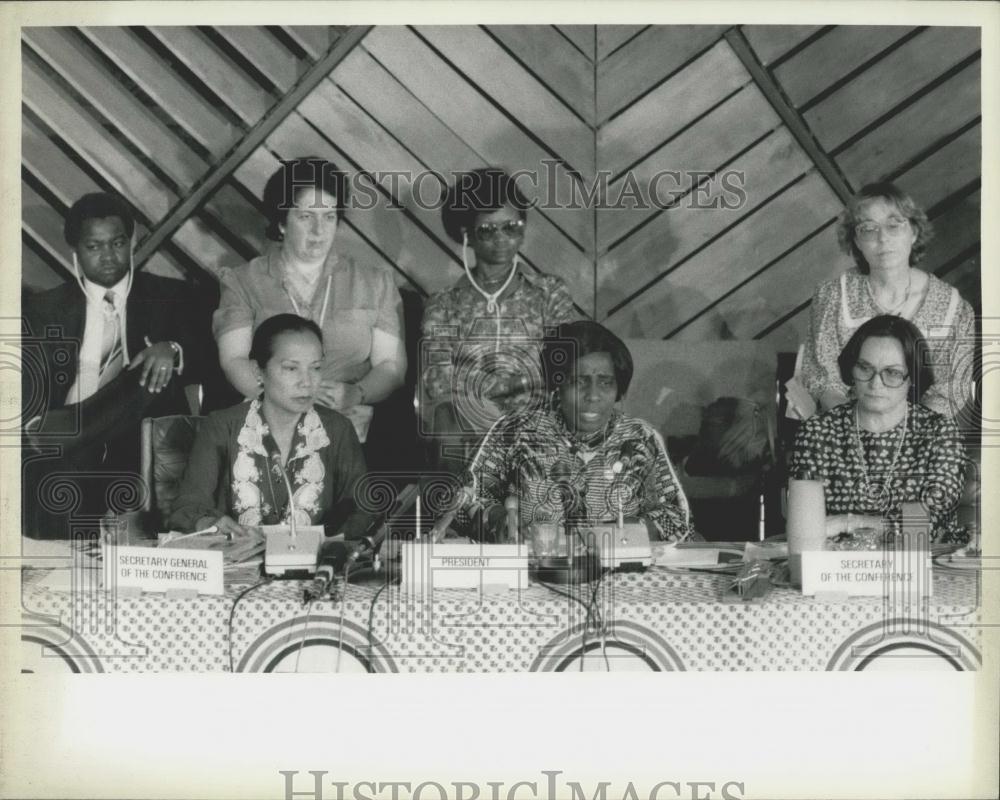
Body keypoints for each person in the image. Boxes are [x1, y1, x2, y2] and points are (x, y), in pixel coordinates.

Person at [22, 192, 196, 538]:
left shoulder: (171, 297)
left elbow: (208, 361)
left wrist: (172, 349)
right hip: (70, 448)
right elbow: (32, 386)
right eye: (94, 247)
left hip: (134, 438)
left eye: (117, 243)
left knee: (149, 372)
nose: (108, 256)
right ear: (75, 250)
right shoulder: (45, 309)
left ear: (130, 243)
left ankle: (72, 426)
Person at [213, 157, 405, 443]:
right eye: (306, 217)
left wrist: (357, 393)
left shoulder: (375, 282)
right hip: (270, 425)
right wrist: (284, 400)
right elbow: (234, 359)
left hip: (350, 429)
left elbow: (390, 365)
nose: (319, 230)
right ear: (281, 222)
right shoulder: (242, 280)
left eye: (329, 217)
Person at [459, 321, 693, 542]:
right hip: (534, 571)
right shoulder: (514, 432)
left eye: (605, 383)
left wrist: (628, 529)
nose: (592, 396)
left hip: (622, 574)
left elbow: (677, 517)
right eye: (578, 382)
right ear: (557, 386)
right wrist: (498, 519)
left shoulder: (640, 438)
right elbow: (464, 501)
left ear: (618, 388)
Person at [420, 168, 576, 472]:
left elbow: (563, 362)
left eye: (512, 227)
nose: (502, 239)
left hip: (540, 419)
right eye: (488, 230)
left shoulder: (549, 292)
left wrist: (493, 384)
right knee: (449, 427)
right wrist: (506, 389)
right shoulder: (444, 303)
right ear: (467, 234)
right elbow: (437, 378)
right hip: (469, 424)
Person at [169, 314, 369, 540]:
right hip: (236, 569)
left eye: (315, 368)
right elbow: (186, 508)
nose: (307, 382)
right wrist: (209, 522)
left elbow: (359, 510)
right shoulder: (222, 427)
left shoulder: (337, 429)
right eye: (291, 368)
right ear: (257, 371)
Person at [793, 181, 974, 419]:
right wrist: (857, 430)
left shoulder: (953, 308)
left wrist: (904, 438)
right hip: (843, 429)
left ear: (914, 232)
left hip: (921, 436)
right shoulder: (833, 297)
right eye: (868, 229)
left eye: (894, 225)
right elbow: (822, 377)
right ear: (856, 241)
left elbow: (950, 389)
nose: (883, 239)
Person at [789, 315, 968, 544]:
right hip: (836, 569)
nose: (875, 384)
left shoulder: (940, 433)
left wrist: (846, 522)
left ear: (912, 377)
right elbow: (805, 525)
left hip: (920, 567)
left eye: (892, 373)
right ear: (851, 369)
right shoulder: (817, 432)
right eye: (865, 368)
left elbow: (929, 527)